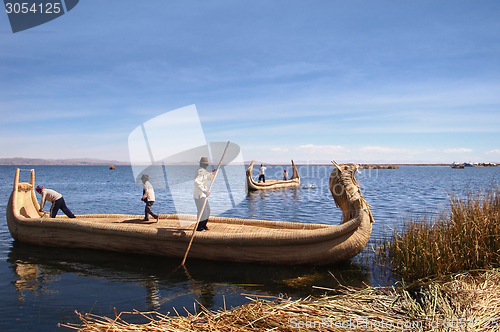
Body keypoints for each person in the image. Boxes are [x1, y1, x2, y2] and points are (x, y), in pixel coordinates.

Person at [193, 157, 216, 231]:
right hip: (199, 195)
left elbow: (209, 177)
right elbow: (197, 182)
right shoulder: (200, 171)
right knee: (203, 211)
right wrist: (204, 191)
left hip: (202, 195)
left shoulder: (204, 171)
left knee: (208, 210)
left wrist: (213, 174)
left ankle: (204, 225)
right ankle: (199, 227)